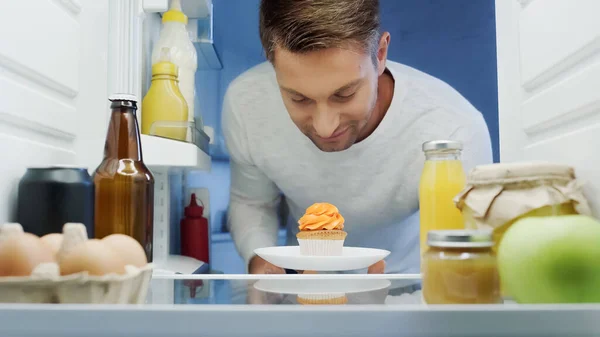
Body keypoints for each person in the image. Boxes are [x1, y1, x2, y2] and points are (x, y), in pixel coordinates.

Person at [222, 0, 493, 274]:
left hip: (408, 286)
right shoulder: (246, 103)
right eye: (298, 98)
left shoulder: (453, 129)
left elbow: (467, 251)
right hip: (305, 283)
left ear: (380, 54)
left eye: (344, 94)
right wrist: (260, 261)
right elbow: (252, 202)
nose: (325, 127)